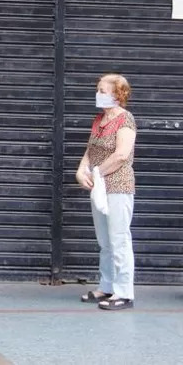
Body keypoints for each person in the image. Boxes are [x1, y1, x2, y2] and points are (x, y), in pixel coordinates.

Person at [75, 74, 137, 311]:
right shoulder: (98, 120)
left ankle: (124, 293)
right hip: (99, 185)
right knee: (105, 240)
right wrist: (81, 171)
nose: (98, 94)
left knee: (119, 238)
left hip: (117, 185)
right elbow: (90, 150)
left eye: (102, 90)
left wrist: (97, 173)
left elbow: (121, 154)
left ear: (117, 94)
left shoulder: (125, 120)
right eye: (98, 89)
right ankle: (107, 285)